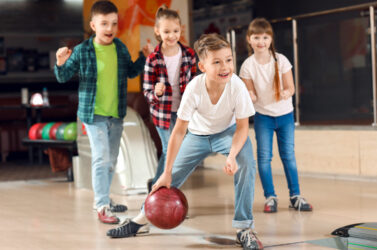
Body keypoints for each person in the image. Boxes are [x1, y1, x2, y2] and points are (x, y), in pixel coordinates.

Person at [107, 33, 263, 250]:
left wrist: (232, 155)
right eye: (216, 62)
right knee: (166, 179)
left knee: (246, 163)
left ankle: (244, 228)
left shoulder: (237, 87)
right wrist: (168, 170)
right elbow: (179, 131)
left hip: (228, 134)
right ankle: (141, 221)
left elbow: (243, 127)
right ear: (202, 66)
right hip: (196, 136)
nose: (225, 66)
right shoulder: (194, 88)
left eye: (228, 60)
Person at [54, 0, 153, 224]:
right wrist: (60, 63)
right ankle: (102, 205)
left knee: (111, 159)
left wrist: (143, 57)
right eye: (104, 23)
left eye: (114, 23)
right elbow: (62, 77)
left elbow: (130, 72)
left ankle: (104, 198)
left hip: (115, 114)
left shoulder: (119, 47)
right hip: (92, 114)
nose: (110, 28)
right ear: (93, 25)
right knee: (101, 157)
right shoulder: (82, 50)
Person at [239, 18, 312, 213]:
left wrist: (287, 93)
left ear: (270, 39)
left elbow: (292, 87)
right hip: (263, 117)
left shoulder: (281, 60)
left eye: (265, 37)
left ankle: (295, 196)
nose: (261, 41)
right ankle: (270, 197)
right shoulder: (247, 66)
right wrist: (251, 96)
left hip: (285, 116)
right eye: (256, 37)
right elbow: (250, 93)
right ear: (249, 39)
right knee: (264, 158)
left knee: (288, 155)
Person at [143, 6, 196, 190]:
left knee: (177, 153)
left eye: (175, 31)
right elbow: (147, 93)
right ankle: (163, 192)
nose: (172, 35)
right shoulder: (153, 59)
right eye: (166, 31)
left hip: (184, 113)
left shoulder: (189, 55)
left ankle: (157, 186)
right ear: (157, 31)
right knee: (170, 151)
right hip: (162, 114)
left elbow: (197, 83)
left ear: (181, 29)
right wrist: (157, 93)